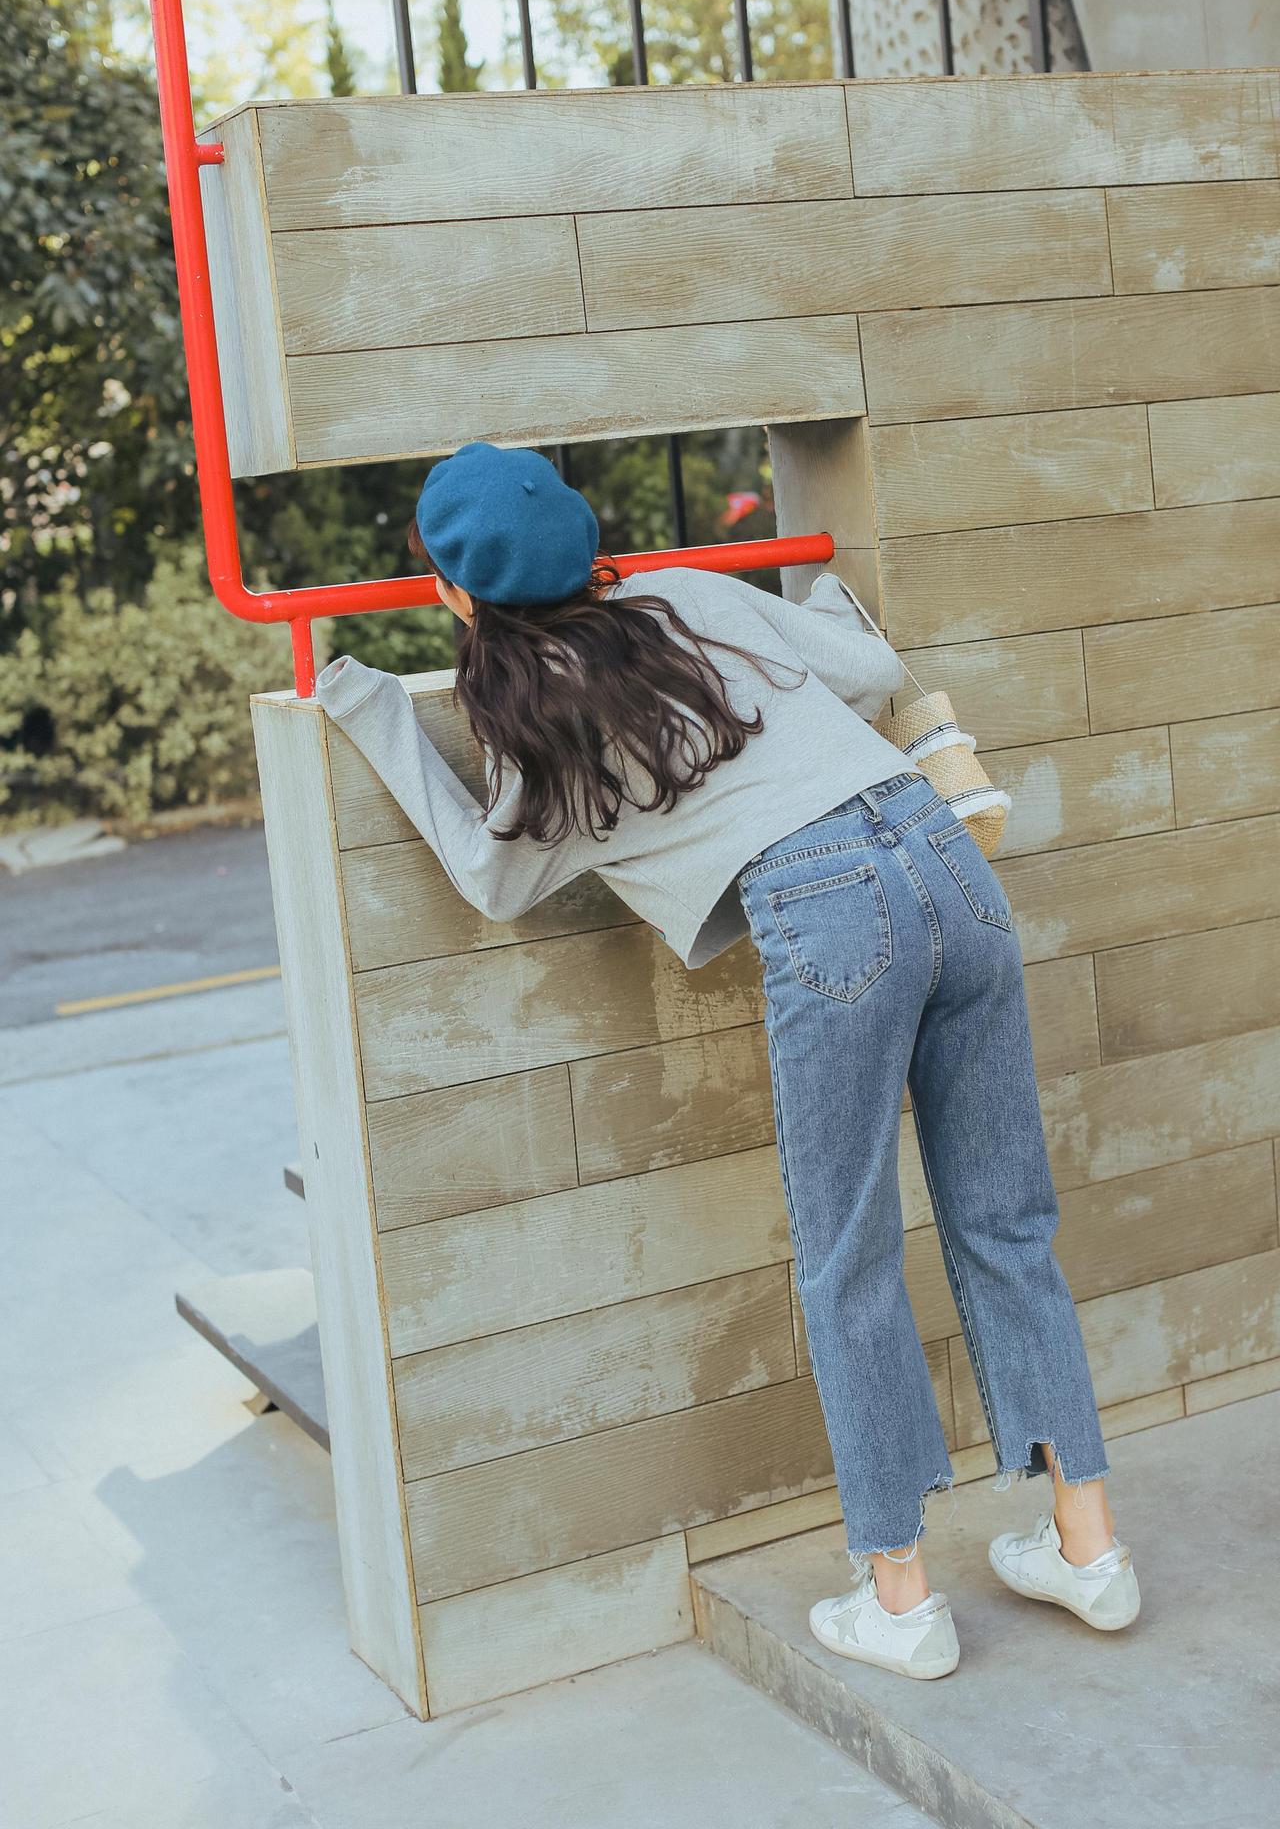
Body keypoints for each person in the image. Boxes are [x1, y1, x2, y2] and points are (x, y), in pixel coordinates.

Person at [317, 441, 1141, 1681]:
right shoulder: (683, 595)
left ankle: (900, 1601)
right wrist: (818, 602)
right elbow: (867, 669)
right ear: (587, 545)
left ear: (454, 595)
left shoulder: (541, 718)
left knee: (846, 1262)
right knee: (1005, 1222)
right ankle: (1088, 1549)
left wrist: (378, 711)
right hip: (939, 851)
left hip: (829, 915)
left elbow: (493, 879)